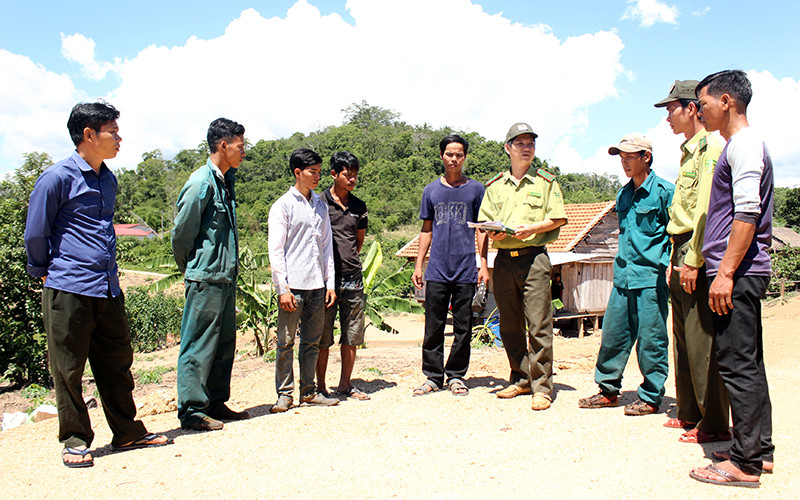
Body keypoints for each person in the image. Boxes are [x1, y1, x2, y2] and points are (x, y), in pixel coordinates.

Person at [24, 101, 171, 468]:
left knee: (117, 362)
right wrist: (43, 269)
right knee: (68, 368)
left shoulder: (108, 178)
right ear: (89, 134)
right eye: (113, 132)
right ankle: (75, 439)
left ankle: (127, 432)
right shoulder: (56, 178)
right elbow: (35, 233)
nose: (119, 138)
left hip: (107, 287)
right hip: (68, 288)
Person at [689, 70, 775, 488]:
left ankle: (745, 465)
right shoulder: (739, 146)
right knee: (749, 363)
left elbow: (747, 213)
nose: (698, 111)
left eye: (702, 103)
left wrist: (724, 273)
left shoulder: (743, 145)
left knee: (737, 364)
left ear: (726, 101)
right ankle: (759, 449)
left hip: (737, 273)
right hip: (741, 271)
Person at [655, 80, 730, 442]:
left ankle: (713, 421)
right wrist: (676, 255)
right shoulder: (689, 151)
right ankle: (688, 411)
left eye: (671, 109)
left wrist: (694, 259)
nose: (668, 116)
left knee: (702, 339)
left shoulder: (710, 149)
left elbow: (704, 211)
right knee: (682, 336)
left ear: (690, 108)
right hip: (680, 247)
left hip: (695, 250)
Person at [578, 133, 674, 416]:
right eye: (621, 157)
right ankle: (608, 391)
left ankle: (651, 396)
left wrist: (669, 266)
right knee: (613, 335)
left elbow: (677, 234)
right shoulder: (623, 194)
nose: (625, 163)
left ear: (646, 156)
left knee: (651, 340)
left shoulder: (664, 192)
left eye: (630, 156)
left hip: (651, 278)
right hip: (622, 276)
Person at [478, 123, 567, 411]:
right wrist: (495, 233)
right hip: (503, 261)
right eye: (520, 144)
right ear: (508, 148)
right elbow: (485, 222)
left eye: (530, 143)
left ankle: (542, 386)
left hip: (535, 259)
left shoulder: (546, 181)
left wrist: (535, 228)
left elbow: (557, 219)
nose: (526, 148)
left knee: (539, 324)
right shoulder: (494, 186)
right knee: (509, 324)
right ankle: (520, 377)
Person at [172, 118, 249, 431]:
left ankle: (215, 402)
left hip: (225, 278)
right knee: (198, 345)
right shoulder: (201, 181)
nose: (244, 153)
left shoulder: (226, 180)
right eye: (241, 147)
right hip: (206, 278)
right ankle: (191, 409)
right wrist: (192, 267)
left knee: (223, 344)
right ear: (223, 145)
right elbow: (181, 234)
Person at [411, 134, 488, 397]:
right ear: (442, 156)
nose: (454, 158)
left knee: (463, 326)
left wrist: (483, 265)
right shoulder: (431, 190)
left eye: (459, 154)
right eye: (449, 153)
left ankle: (456, 376)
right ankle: (433, 377)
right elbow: (426, 229)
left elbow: (482, 231)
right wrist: (419, 264)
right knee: (433, 326)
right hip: (438, 270)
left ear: (465, 157)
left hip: (466, 269)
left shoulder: (476, 190)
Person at [268, 148, 339, 412]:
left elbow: (326, 246)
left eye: (319, 172)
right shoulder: (283, 206)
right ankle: (284, 394)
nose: (317, 177)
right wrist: (282, 287)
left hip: (317, 285)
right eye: (312, 172)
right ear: (298, 173)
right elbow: (276, 250)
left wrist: (329, 282)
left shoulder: (320, 204)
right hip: (293, 287)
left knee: (312, 341)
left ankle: (309, 392)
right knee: (285, 342)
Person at [315, 152, 370, 401]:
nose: (352, 179)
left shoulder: (359, 207)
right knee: (322, 335)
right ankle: (320, 387)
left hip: (352, 278)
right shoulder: (318, 203)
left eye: (355, 175)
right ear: (334, 174)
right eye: (348, 174)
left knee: (352, 334)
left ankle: (345, 384)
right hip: (325, 280)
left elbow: (358, 243)